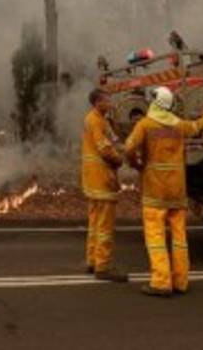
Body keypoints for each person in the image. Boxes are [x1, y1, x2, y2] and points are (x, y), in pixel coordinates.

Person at [123, 86, 203, 297]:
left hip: (155, 190)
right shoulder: (178, 125)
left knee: (155, 237)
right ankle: (181, 281)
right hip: (177, 190)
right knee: (179, 238)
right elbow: (195, 126)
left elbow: (128, 147)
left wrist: (135, 164)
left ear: (155, 102)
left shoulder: (145, 124)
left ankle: (161, 282)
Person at [81, 88, 127, 282]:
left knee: (94, 223)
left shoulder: (96, 118)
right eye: (107, 100)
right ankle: (103, 266)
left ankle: (92, 261)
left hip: (93, 180)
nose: (110, 103)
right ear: (97, 103)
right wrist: (119, 160)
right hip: (102, 180)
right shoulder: (96, 121)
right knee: (105, 226)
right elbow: (105, 149)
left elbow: (114, 138)